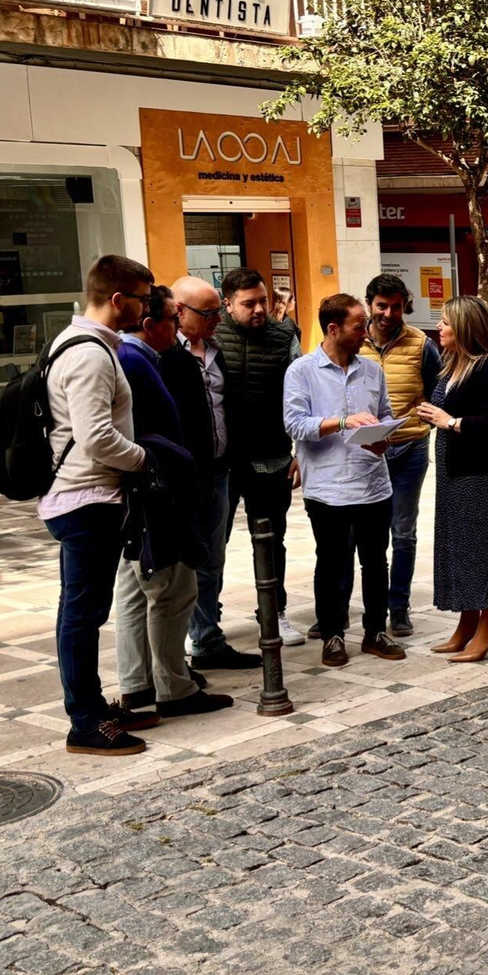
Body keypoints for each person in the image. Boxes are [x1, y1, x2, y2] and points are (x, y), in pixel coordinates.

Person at [40, 255, 155, 755]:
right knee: (82, 614)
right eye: (142, 300)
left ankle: (90, 706)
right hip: (86, 497)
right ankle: (85, 722)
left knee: (83, 609)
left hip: (83, 495)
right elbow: (95, 437)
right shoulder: (89, 354)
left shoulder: (77, 343)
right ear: (117, 299)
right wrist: (146, 459)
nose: (146, 309)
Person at [113, 288, 232, 718]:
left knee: (135, 590)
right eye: (171, 318)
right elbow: (151, 433)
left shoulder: (128, 356)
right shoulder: (136, 360)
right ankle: (173, 687)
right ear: (150, 324)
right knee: (172, 590)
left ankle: (138, 685)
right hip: (155, 492)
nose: (177, 325)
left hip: (139, 493)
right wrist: (161, 471)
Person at [283, 293, 408, 668]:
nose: (365, 333)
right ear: (333, 329)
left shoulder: (371, 369)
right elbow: (295, 424)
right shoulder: (302, 371)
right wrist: (341, 422)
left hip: (373, 482)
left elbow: (384, 413)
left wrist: (384, 437)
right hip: (328, 487)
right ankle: (333, 634)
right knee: (331, 564)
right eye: (358, 326)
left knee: (376, 562)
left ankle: (375, 631)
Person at [415, 296, 488, 662]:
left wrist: (451, 422)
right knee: (459, 548)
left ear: (465, 327)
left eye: (445, 322)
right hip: (452, 473)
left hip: (477, 473)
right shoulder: (453, 363)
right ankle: (467, 623)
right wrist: (432, 416)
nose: (439, 327)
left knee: (482, 550)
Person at [170, 276, 260, 671]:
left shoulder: (214, 349)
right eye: (207, 314)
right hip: (184, 477)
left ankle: (207, 638)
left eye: (216, 312)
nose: (216, 320)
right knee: (185, 563)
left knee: (212, 559)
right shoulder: (164, 353)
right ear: (179, 311)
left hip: (220, 471)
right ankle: (183, 646)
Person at [215, 267, 305, 649]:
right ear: (228, 304)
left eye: (263, 301)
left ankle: (274, 612)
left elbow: (301, 396)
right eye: (248, 303)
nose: (258, 310)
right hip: (221, 460)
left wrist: (300, 451)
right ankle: (206, 621)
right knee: (212, 541)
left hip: (271, 456)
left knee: (270, 539)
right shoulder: (210, 337)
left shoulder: (286, 336)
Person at [358, 273, 442, 636]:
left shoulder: (421, 344)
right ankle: (355, 606)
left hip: (409, 449)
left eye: (395, 306)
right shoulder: (353, 340)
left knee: (403, 532)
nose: (389, 314)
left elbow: (438, 392)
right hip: (363, 451)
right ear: (369, 304)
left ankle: (399, 606)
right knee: (359, 533)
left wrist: (422, 419)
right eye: (382, 306)